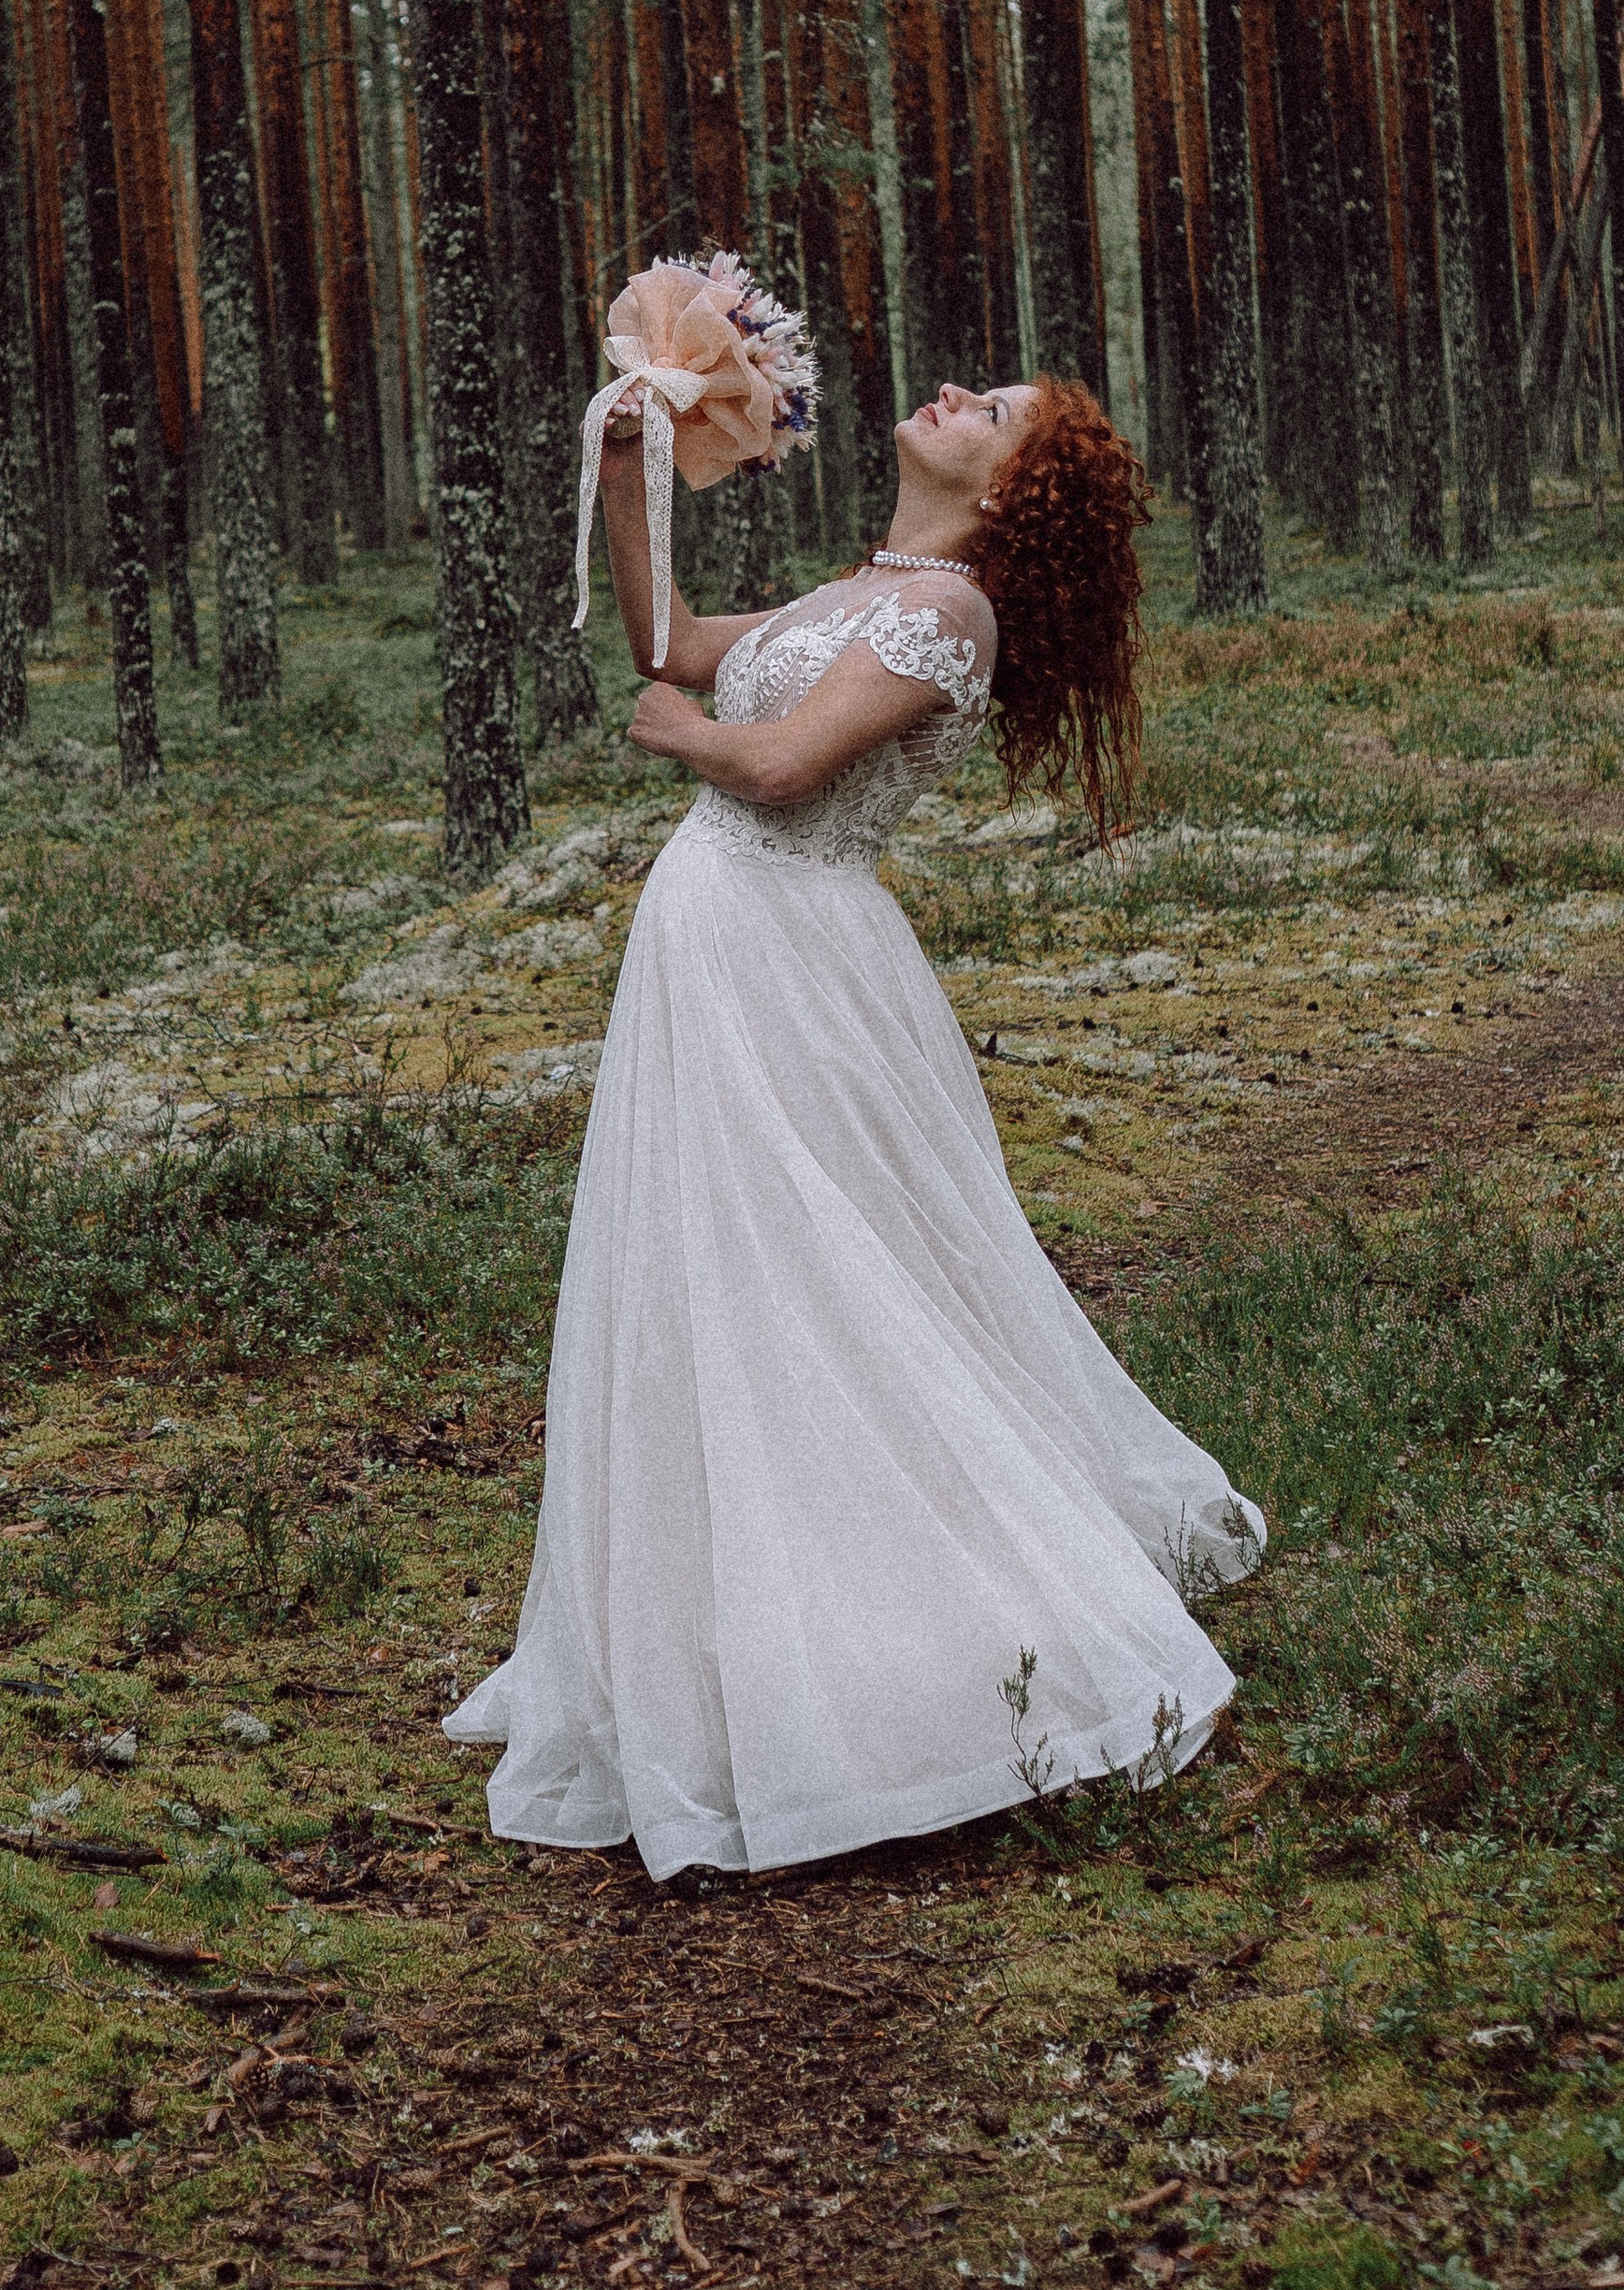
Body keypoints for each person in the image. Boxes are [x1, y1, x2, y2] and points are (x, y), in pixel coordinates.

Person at [443, 376, 1262, 1878]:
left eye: (992, 410)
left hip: (791, 962)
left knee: (830, 1278)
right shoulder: (868, 589)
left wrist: (679, 737)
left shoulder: (951, 614)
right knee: (729, 1277)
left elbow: (778, 765)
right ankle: (752, 1622)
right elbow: (674, 641)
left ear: (1007, 490)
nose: (957, 393)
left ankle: (908, 1641)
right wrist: (630, 472)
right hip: (723, 951)